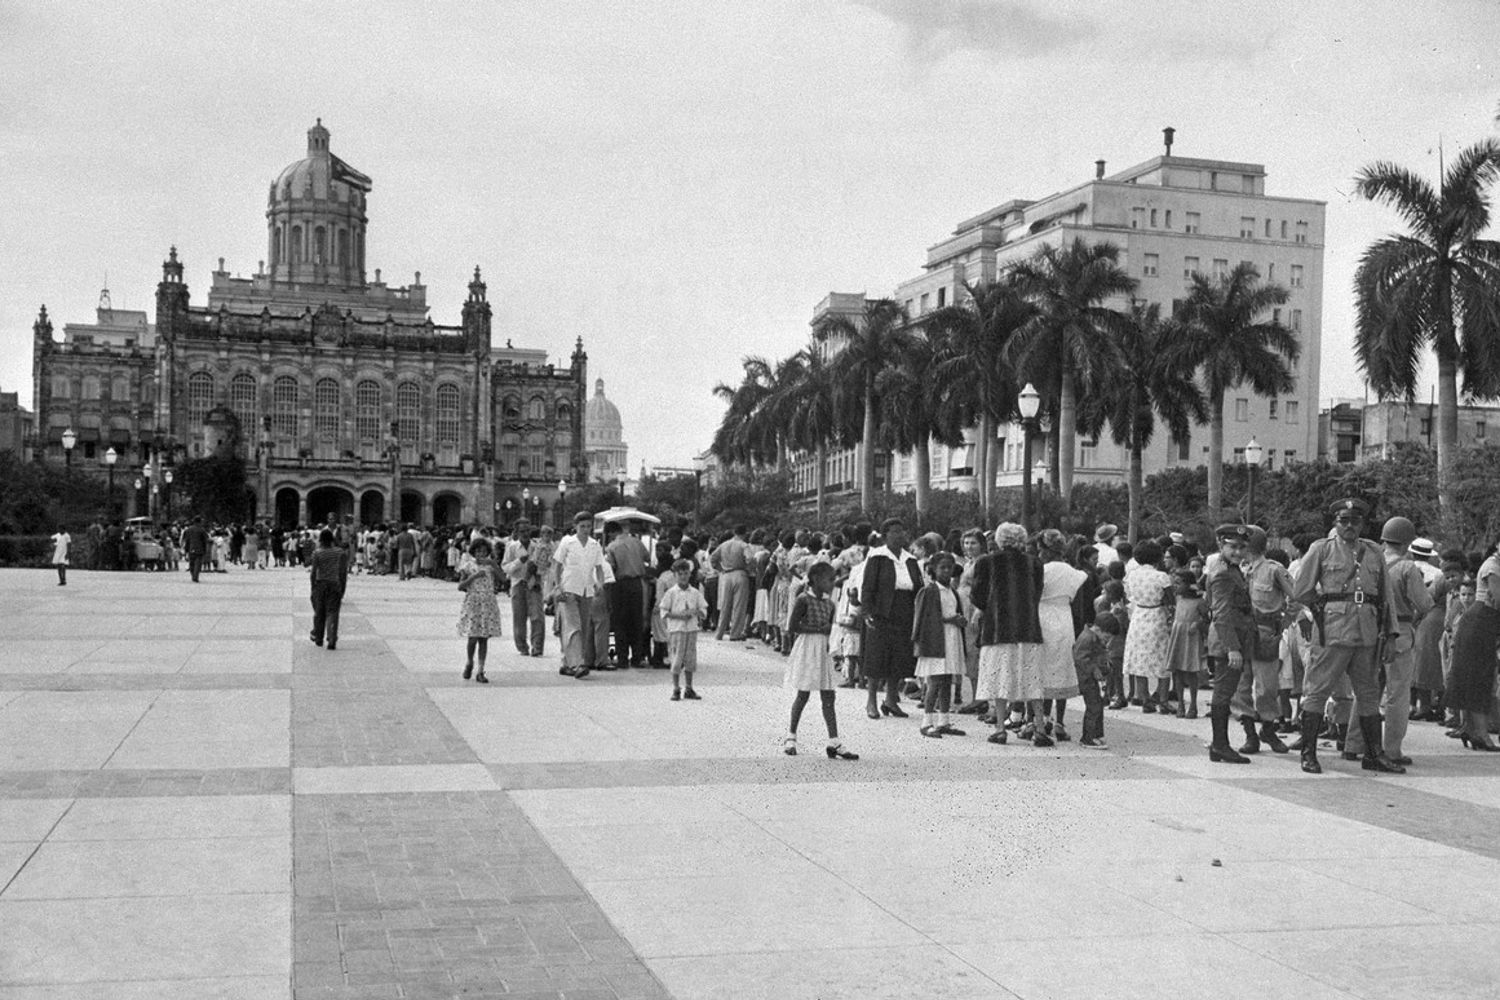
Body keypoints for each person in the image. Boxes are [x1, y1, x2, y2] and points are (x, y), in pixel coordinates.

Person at [1291, 498, 1405, 775]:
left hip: (1366, 633)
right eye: (1344, 520)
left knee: (1367, 695)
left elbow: (1385, 597)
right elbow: (1301, 590)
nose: (1350, 526)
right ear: (1335, 523)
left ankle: (1373, 755)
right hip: (1332, 632)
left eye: (1355, 521)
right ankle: (1308, 754)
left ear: (1363, 524)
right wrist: (1322, 609)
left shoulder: (1374, 551)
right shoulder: (1322, 550)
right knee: (1317, 692)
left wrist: (1390, 634)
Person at [1343, 517, 1433, 765]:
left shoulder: (1369, 563)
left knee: (1366, 690)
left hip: (1370, 632)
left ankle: (1353, 743)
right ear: (1407, 543)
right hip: (1400, 631)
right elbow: (1424, 603)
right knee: (1397, 694)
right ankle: (1391, 749)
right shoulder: (1407, 568)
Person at [972, 522, 1047, 747]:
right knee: (1032, 678)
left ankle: (1000, 728)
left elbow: (977, 596)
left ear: (999, 539)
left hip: (997, 628)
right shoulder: (1035, 563)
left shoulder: (986, 562)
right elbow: (1037, 593)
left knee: (999, 678)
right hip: (1028, 628)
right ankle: (1040, 728)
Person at [782, 561, 858, 760]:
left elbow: (830, 629)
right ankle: (791, 736)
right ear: (816, 579)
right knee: (803, 694)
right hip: (808, 648)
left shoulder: (830, 603)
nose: (833, 583)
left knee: (828, 696)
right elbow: (792, 626)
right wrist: (817, 630)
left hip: (824, 649)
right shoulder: (803, 599)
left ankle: (834, 741)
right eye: (829, 579)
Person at [1235, 526, 1296, 754]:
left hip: (1265, 632)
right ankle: (1250, 734)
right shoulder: (1237, 570)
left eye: (1242, 544)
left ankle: (1268, 729)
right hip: (1241, 633)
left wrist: (1283, 624)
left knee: (1266, 687)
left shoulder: (1273, 570)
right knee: (1241, 686)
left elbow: (1296, 597)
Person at [860, 517, 923, 720]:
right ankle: (871, 700)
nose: (899, 535)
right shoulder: (877, 557)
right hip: (882, 612)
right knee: (877, 655)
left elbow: (918, 587)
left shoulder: (910, 560)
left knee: (899, 656)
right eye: (894, 531)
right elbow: (867, 587)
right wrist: (867, 612)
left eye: (901, 531)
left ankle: (890, 699)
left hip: (905, 611)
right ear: (885, 535)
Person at [1447, 546, 1500, 750]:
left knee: (1475, 678)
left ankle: (1471, 729)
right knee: (1479, 678)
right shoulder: (1493, 567)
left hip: (1482, 624)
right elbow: (1497, 600)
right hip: (1481, 623)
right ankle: (1481, 734)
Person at [1036, 529, 1088, 741]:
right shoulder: (1074, 573)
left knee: (1046, 669)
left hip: (1044, 617)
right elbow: (1079, 605)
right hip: (1065, 619)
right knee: (1064, 668)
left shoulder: (1042, 570)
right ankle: (1060, 721)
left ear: (1046, 550)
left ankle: (1044, 717)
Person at [912, 552, 967, 739]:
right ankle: (926, 722)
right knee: (935, 681)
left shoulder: (952, 591)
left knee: (947, 681)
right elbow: (924, 618)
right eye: (942, 567)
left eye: (949, 567)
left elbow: (955, 611)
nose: (946, 571)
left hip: (951, 639)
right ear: (933, 569)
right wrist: (949, 619)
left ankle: (944, 720)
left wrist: (960, 621)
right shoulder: (929, 591)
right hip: (936, 640)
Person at [552, 511, 607, 679]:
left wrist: (600, 583)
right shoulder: (567, 542)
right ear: (575, 527)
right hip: (569, 589)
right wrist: (558, 586)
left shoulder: (594, 545)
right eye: (582, 526)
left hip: (587, 590)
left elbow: (599, 567)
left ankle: (566, 662)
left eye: (588, 526)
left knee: (582, 627)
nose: (585, 529)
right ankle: (579, 663)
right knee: (573, 626)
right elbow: (557, 565)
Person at [1123, 539, 1175, 713]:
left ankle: (1144, 698)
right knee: (1162, 657)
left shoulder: (1132, 575)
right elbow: (1170, 601)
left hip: (1138, 616)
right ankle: (1163, 698)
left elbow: (1129, 595)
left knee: (1139, 659)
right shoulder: (1161, 576)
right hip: (1157, 616)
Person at [659, 558, 708, 701]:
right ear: (675, 575)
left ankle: (689, 687)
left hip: (691, 629)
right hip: (677, 630)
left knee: (690, 658)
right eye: (680, 574)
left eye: (686, 573)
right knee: (676, 658)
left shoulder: (695, 593)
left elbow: (703, 609)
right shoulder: (671, 593)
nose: (683, 577)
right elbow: (664, 612)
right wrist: (679, 616)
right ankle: (675, 688)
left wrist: (695, 612)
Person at [456, 538, 503, 683]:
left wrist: (493, 564)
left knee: (484, 638)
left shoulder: (490, 566)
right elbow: (460, 586)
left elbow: (503, 578)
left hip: (487, 603)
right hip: (473, 603)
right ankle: (470, 662)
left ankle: (481, 669)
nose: (481, 554)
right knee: (473, 637)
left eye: (484, 551)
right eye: (478, 551)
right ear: (473, 552)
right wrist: (473, 577)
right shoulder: (468, 566)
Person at [606, 520, 651, 667]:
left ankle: (623, 658)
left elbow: (611, 568)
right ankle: (637, 657)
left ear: (612, 533)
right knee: (636, 621)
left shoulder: (611, 547)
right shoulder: (637, 542)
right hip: (638, 584)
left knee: (620, 621)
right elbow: (647, 558)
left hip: (620, 585)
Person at [1165, 569, 1206, 718]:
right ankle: (1181, 704)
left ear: (1188, 584)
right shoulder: (1178, 599)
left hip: (1191, 636)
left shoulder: (1199, 601)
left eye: (1179, 583)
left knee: (1191, 671)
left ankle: (1193, 705)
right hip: (1178, 635)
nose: (1176, 586)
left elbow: (1207, 617)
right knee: (1177, 671)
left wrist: (1198, 624)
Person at [502, 521, 546, 657]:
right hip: (518, 584)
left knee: (537, 616)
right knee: (519, 618)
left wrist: (538, 569)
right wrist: (519, 561)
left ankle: (537, 647)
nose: (526, 534)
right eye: (522, 531)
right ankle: (522, 647)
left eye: (527, 531)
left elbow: (545, 566)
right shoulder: (512, 547)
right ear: (517, 532)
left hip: (534, 584)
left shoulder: (538, 547)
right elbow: (505, 567)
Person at [1073, 611, 1116, 749]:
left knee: (1098, 705)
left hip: (1092, 678)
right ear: (1098, 629)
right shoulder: (1087, 638)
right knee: (1093, 707)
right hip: (1087, 679)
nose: (1107, 640)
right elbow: (1080, 658)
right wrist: (1094, 669)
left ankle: (1097, 734)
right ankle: (1088, 737)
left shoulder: (1093, 637)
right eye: (1106, 636)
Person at [307, 529, 350, 650]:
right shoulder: (339, 552)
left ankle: (319, 637)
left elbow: (313, 572)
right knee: (333, 612)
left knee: (319, 612)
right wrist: (342, 587)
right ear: (332, 539)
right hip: (334, 584)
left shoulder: (317, 553)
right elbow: (343, 572)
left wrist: (312, 587)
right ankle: (332, 638)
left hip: (320, 585)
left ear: (320, 540)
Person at [712, 526, 752, 641]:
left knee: (725, 605)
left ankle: (719, 632)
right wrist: (748, 567)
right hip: (740, 573)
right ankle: (735, 633)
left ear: (734, 532)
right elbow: (749, 558)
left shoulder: (724, 545)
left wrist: (721, 569)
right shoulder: (744, 545)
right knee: (739, 605)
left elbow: (713, 558)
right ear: (744, 533)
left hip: (726, 575)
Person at [182, 516, 210, 583]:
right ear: (199, 522)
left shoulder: (188, 530)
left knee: (191, 563)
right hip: (199, 549)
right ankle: (195, 577)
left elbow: (187, 540)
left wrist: (186, 550)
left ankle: (193, 575)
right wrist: (205, 549)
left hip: (191, 548)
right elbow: (205, 540)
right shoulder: (202, 530)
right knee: (198, 564)